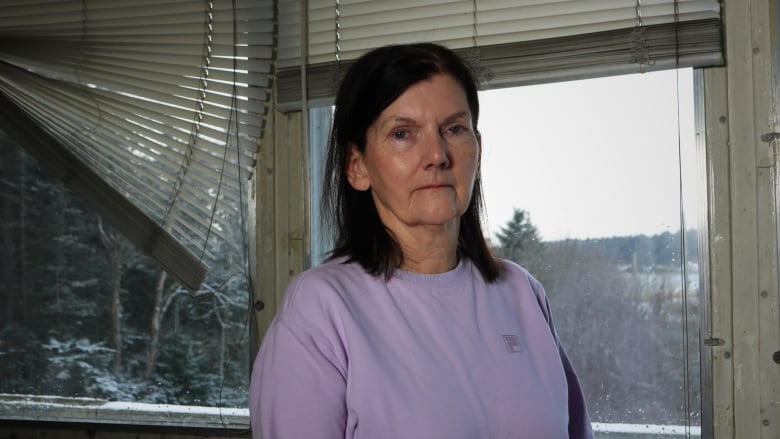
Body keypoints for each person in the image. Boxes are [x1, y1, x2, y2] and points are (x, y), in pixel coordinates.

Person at [249, 42, 593, 439]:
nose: (437, 154)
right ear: (357, 166)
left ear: (477, 150)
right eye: (402, 133)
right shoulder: (320, 309)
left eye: (454, 129)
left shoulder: (522, 292)